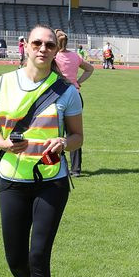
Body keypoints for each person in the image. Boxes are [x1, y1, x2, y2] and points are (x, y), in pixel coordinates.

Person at [0, 25, 83, 277]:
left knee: (38, 255)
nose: (43, 49)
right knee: (15, 258)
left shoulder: (66, 91)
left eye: (50, 45)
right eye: (37, 43)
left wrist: (64, 143)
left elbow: (78, 137)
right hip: (12, 178)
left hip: (51, 181)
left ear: (57, 50)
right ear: (24, 45)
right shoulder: (3, 83)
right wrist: (7, 147)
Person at [53, 28, 95, 176]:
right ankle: (76, 169)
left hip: (57, 96)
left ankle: (55, 165)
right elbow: (90, 69)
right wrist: (78, 81)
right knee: (75, 134)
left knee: (55, 132)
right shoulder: (76, 56)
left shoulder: (53, 57)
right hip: (75, 94)